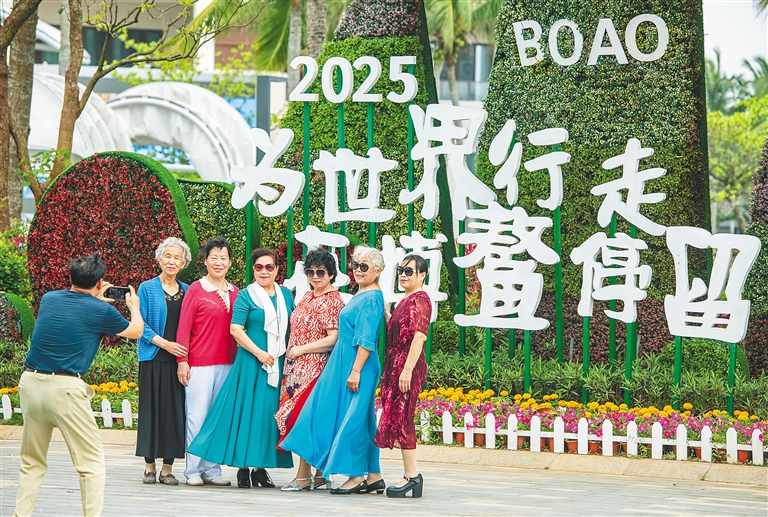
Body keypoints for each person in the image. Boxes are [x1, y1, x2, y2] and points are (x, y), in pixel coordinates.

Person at [14, 254, 143, 517]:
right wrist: (134, 307)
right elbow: (136, 331)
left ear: (71, 277)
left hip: (30, 383)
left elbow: (73, 311)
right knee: (91, 464)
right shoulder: (102, 311)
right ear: (100, 282)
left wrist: (95, 298)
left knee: (31, 462)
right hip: (65, 390)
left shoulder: (49, 298)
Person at [281, 245, 386, 495]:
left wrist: (356, 370)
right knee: (363, 420)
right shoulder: (364, 294)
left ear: (378, 270)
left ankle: (356, 475)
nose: (358, 270)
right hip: (346, 362)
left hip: (358, 364)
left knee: (353, 420)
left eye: (364, 266)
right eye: (356, 265)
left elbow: (366, 339)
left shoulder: (371, 297)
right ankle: (374, 475)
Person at [188, 248, 295, 489]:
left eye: (269, 267)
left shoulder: (286, 295)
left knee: (267, 416)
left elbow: (293, 326)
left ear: (277, 270)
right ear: (253, 270)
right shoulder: (246, 295)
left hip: (277, 363)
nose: (264, 271)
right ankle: (243, 469)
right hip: (251, 363)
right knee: (247, 414)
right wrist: (259, 353)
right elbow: (235, 329)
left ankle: (260, 469)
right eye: (259, 267)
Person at [275, 248, 344, 492]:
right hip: (295, 368)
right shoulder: (307, 295)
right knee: (305, 419)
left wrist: (302, 349)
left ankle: (304, 476)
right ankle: (320, 475)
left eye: (321, 272)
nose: (315, 276)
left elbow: (333, 338)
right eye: (311, 272)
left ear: (331, 274)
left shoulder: (332, 300)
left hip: (315, 368)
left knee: (305, 420)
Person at [176, 236, 239, 487]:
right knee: (197, 417)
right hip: (200, 364)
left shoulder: (236, 292)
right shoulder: (196, 289)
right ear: (205, 261)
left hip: (229, 363)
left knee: (218, 417)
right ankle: (192, 470)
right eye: (214, 257)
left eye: (223, 258)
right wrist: (182, 360)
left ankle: (212, 469)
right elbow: (183, 328)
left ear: (230, 262)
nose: (218, 262)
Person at [135, 237, 192, 486]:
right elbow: (140, 324)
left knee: (174, 413)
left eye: (177, 257)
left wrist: (181, 355)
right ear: (159, 259)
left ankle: (167, 469)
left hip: (179, 361)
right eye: (167, 256)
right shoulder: (146, 288)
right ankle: (149, 467)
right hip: (153, 357)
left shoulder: (188, 291)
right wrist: (165, 343)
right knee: (150, 411)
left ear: (184, 263)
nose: (171, 261)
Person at [374, 254, 431, 498]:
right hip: (396, 363)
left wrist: (407, 370)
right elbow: (399, 331)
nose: (404, 275)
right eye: (401, 270)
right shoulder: (406, 300)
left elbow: (419, 337)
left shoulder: (420, 300)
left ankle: (412, 476)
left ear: (422, 275)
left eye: (409, 271)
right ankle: (411, 476)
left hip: (408, 365)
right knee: (398, 416)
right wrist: (388, 315)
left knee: (404, 416)